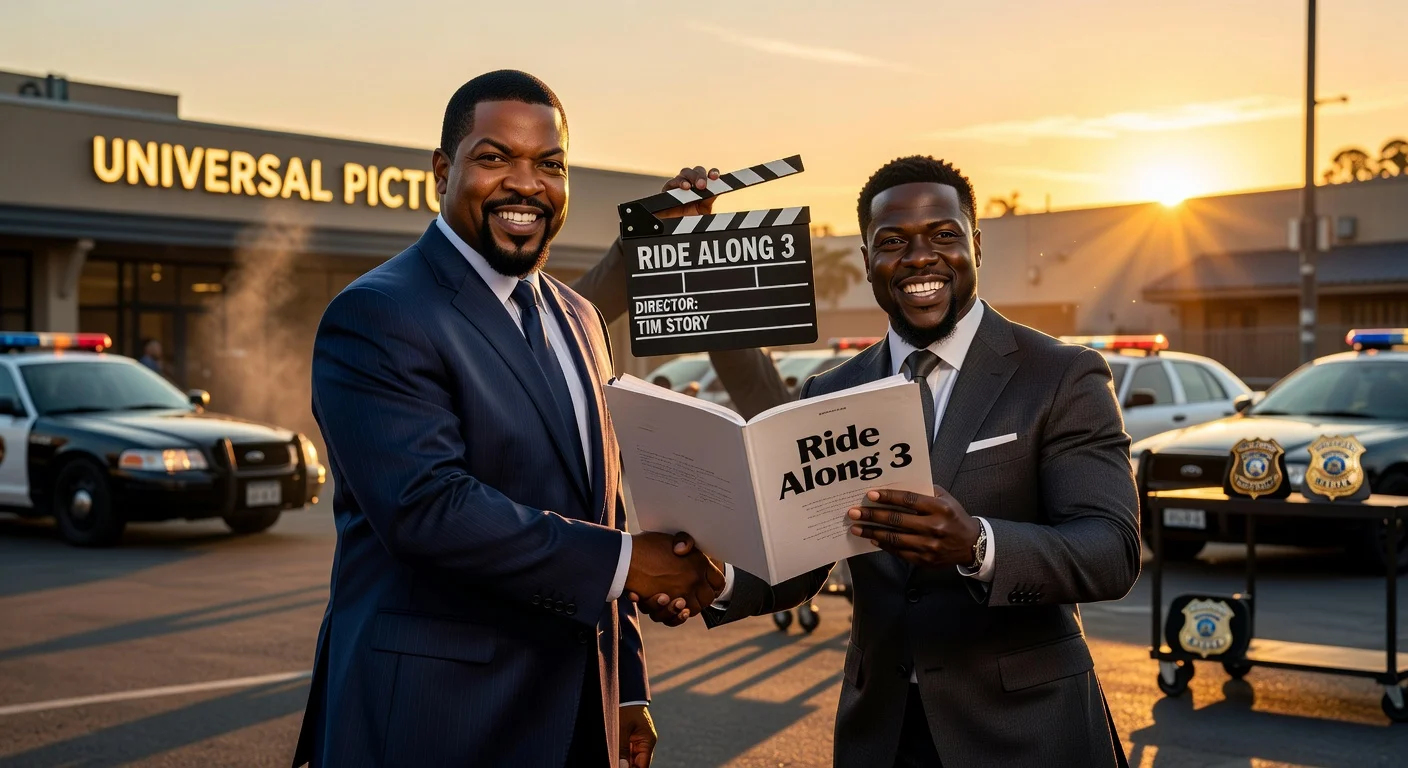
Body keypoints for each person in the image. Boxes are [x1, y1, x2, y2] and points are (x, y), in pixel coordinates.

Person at [645, 156, 1141, 767]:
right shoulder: (830, 393)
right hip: (881, 734)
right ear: (868, 261)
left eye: (943, 235)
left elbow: (1110, 548)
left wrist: (978, 546)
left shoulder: (1061, 375)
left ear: (975, 245)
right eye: (893, 242)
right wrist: (711, 584)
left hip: (1027, 733)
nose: (920, 257)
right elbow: (803, 557)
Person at [294, 70, 722, 768]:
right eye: (495, 158)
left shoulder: (580, 318)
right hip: (435, 722)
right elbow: (428, 508)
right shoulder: (378, 313)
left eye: (549, 164)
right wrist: (628, 567)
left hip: (578, 711)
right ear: (442, 169)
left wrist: (625, 683)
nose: (527, 184)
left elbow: (601, 507)